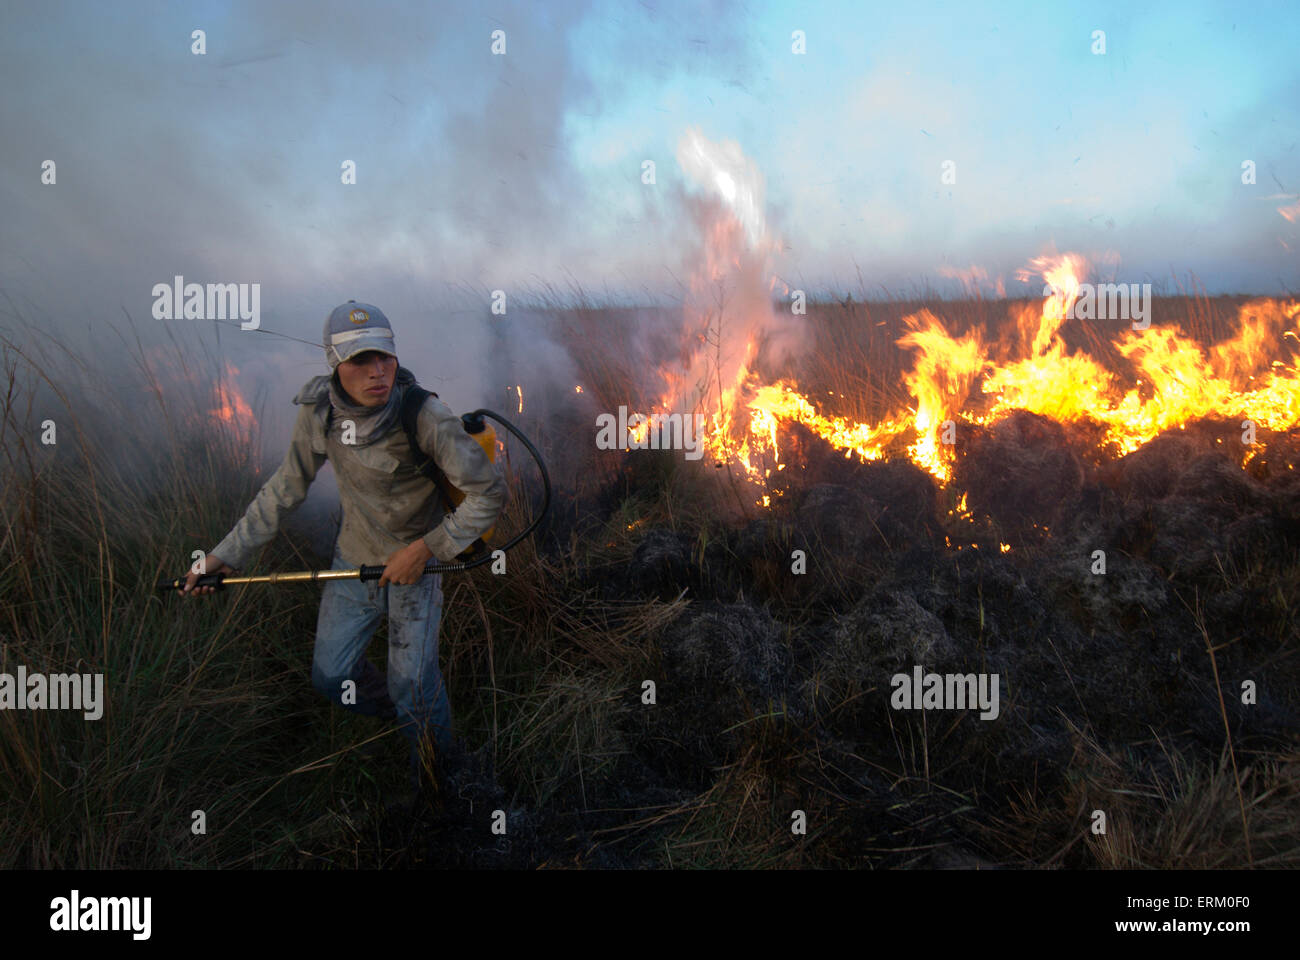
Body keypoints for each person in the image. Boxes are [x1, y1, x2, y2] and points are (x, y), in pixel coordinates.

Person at [181, 300, 505, 810]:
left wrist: (424, 551)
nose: (377, 371)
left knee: (414, 687)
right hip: (352, 561)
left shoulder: (425, 415)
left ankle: (443, 779)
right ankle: (403, 718)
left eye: (385, 357)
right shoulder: (320, 413)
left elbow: (489, 495)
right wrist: (223, 556)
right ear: (334, 364)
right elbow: (284, 490)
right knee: (331, 676)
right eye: (360, 360)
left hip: (416, 569)